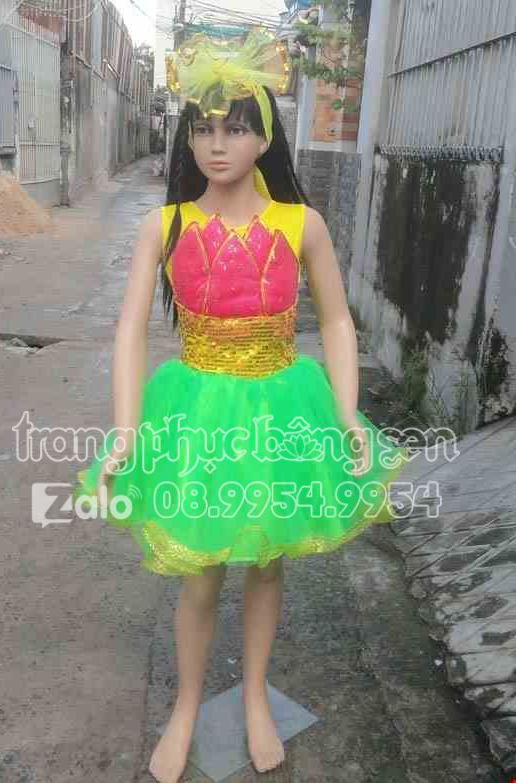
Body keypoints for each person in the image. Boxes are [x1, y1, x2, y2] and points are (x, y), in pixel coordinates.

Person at [74, 27, 410, 783]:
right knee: (200, 571)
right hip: (196, 413)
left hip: (280, 409)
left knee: (265, 560)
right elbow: (129, 327)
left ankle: (255, 692)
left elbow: (337, 322)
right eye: (203, 128)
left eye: (234, 128)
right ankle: (187, 704)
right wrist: (126, 430)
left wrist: (346, 413)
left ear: (264, 137)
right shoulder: (166, 226)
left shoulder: (301, 224)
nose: (216, 145)